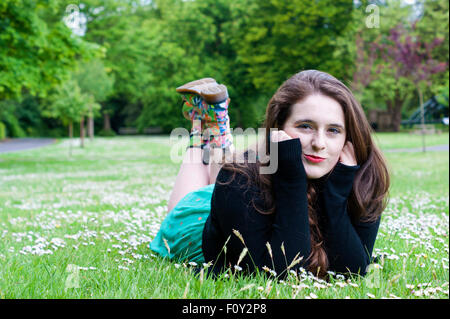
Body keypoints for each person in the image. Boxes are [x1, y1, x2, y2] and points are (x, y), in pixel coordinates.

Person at [150, 70, 390, 279]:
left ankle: (217, 127)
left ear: (348, 138)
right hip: (202, 223)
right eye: (305, 126)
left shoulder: (362, 179)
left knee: (234, 172)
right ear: (278, 128)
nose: (319, 143)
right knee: (211, 187)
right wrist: (291, 177)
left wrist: (336, 197)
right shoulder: (237, 181)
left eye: (333, 130)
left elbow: (351, 270)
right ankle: (202, 129)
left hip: (243, 200)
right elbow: (281, 272)